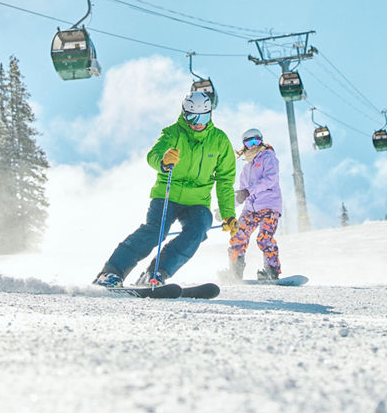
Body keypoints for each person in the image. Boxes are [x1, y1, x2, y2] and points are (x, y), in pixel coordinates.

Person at [93, 91, 238, 287]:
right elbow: (154, 154)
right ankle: (111, 272)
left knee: (198, 229)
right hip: (167, 194)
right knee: (155, 232)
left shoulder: (220, 141)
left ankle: (156, 273)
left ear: (210, 114)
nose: (198, 122)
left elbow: (225, 180)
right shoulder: (172, 133)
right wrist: (163, 160)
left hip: (197, 201)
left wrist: (229, 214)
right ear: (184, 114)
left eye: (203, 117)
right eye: (192, 117)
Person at [226, 128, 283, 281]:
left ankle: (271, 271)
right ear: (244, 145)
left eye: (256, 141)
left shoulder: (268, 157)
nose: (253, 145)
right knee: (238, 236)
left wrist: (248, 191)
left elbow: (270, 179)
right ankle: (234, 272)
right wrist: (227, 210)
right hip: (251, 208)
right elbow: (242, 194)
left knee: (264, 238)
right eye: (248, 142)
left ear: (261, 141)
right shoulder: (246, 167)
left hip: (269, 205)